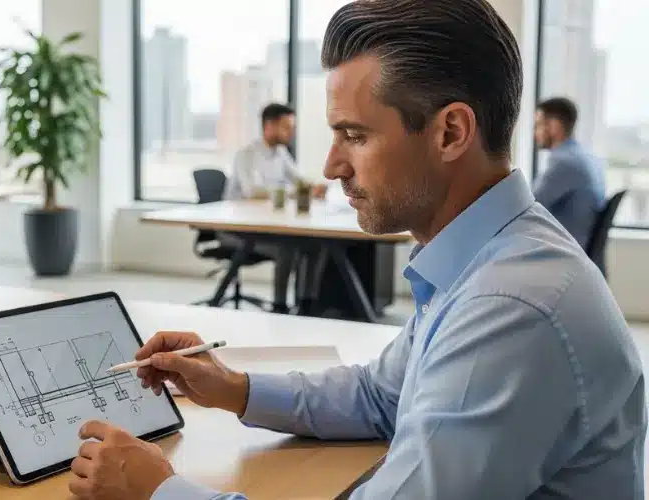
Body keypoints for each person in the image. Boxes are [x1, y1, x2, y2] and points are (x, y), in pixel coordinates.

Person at [68, 1, 646, 499]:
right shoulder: (488, 256)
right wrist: (234, 387)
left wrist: (159, 490)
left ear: (450, 133)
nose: (331, 165)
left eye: (355, 135)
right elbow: (378, 395)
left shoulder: (512, 307)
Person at [221, 103, 326, 314]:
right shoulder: (247, 154)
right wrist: (293, 192)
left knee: (315, 246)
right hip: (236, 230)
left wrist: (313, 187)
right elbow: (252, 191)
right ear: (269, 126)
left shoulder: (280, 153)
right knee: (287, 249)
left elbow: (298, 180)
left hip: (265, 226)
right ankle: (280, 307)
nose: (291, 132)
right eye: (286, 127)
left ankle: (307, 304)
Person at [533, 97, 606, 247]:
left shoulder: (564, 163)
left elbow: (526, 205)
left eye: (538, 125)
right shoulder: (587, 157)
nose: (535, 133)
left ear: (554, 126)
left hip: (563, 250)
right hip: (577, 247)